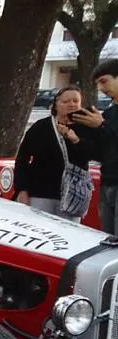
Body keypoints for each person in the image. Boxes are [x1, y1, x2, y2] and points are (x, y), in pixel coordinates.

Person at [14, 86, 97, 223]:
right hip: (40, 194)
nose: (71, 104)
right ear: (56, 105)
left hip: (72, 196)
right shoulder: (40, 127)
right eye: (66, 101)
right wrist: (22, 189)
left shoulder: (87, 128)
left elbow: (93, 155)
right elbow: (22, 159)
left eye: (75, 101)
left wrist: (75, 140)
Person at [71, 59, 118, 233]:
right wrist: (77, 138)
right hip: (108, 183)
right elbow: (102, 152)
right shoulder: (110, 113)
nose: (100, 88)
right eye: (97, 83)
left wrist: (101, 126)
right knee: (108, 237)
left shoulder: (105, 119)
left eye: (104, 81)